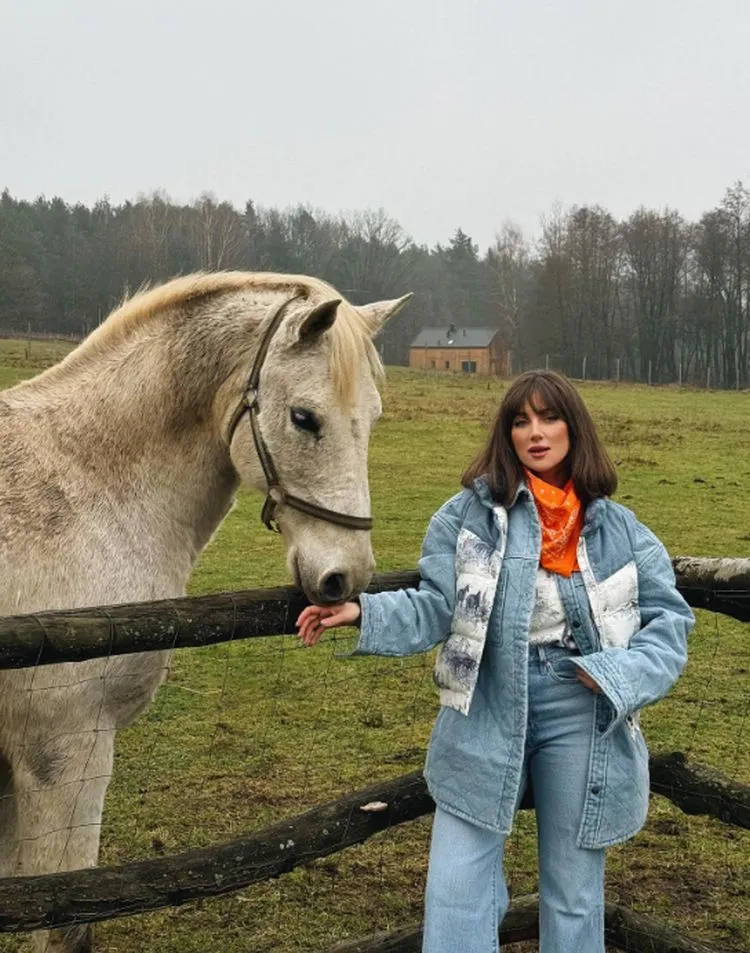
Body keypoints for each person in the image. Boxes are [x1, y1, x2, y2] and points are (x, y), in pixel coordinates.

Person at [296, 370, 694, 953]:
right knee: (456, 886)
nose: (535, 433)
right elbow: (438, 605)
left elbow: (670, 621)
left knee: (574, 892)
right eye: (520, 420)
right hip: (484, 701)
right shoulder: (469, 516)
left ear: (573, 428)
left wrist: (616, 675)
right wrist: (363, 614)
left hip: (582, 705)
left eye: (548, 418)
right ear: (505, 434)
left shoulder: (618, 527)